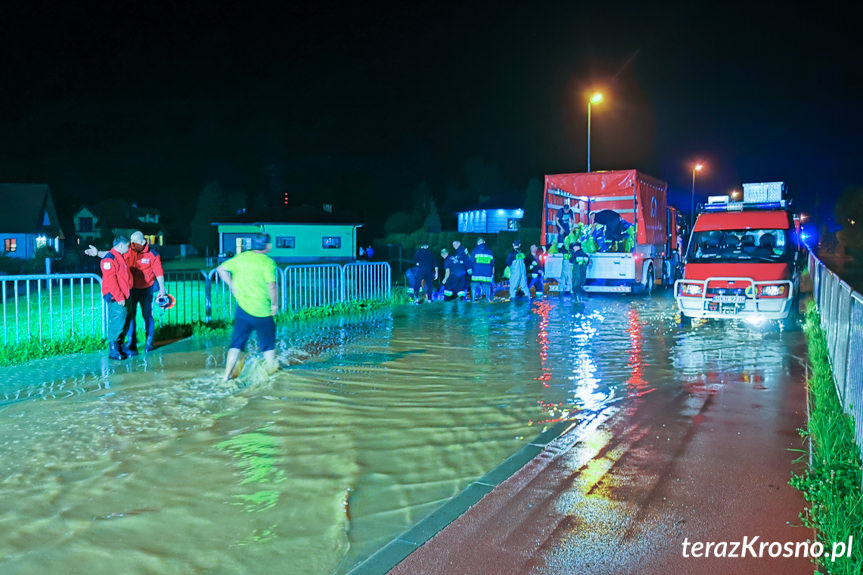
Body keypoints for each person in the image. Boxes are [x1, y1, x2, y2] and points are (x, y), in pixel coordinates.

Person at [86, 231, 167, 354]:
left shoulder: (152, 254)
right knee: (130, 317)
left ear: (142, 242)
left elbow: (159, 272)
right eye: (131, 243)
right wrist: (97, 253)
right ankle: (131, 344)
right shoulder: (130, 250)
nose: (131, 246)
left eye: (134, 243)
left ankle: (149, 343)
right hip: (131, 290)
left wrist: (162, 289)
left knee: (147, 316)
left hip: (146, 290)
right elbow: (112, 255)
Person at [217, 233, 279, 381]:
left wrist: (232, 286)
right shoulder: (268, 263)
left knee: (236, 345)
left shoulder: (241, 257)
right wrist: (274, 304)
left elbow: (220, 269)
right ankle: (273, 380)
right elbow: (272, 286)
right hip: (263, 312)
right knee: (268, 347)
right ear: (268, 246)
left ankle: (226, 376)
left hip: (243, 310)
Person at [99, 236, 132, 360]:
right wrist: (119, 297)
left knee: (124, 321)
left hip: (124, 294)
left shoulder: (119, 257)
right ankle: (113, 350)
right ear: (121, 246)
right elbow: (111, 280)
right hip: (116, 297)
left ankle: (119, 347)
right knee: (117, 323)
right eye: (128, 246)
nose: (129, 249)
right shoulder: (110, 258)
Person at [470, 237, 494, 301]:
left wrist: (470, 271)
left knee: (473, 287)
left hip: (476, 274)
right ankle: (488, 300)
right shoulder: (489, 251)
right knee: (487, 287)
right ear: (484, 242)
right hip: (486, 275)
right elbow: (492, 264)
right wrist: (492, 273)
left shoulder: (474, 251)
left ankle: (473, 300)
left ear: (477, 243)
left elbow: (470, 262)